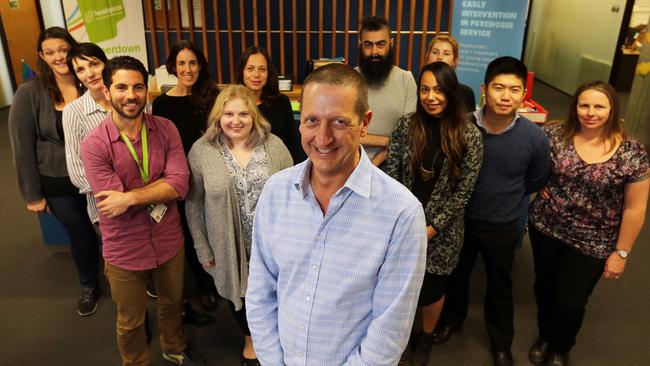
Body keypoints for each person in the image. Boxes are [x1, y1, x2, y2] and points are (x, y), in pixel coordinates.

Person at [246, 63, 427, 365]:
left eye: (340, 122)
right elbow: (260, 293)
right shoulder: (276, 193)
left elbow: (388, 331)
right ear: (299, 122)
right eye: (312, 120)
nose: (323, 137)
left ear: (365, 123)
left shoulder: (401, 214)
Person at [80, 56, 204, 366]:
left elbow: (179, 184)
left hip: (168, 237)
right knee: (131, 319)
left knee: (173, 302)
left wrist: (130, 198)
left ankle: (174, 348)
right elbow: (112, 202)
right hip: (124, 245)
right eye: (121, 87)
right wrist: (156, 187)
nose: (131, 95)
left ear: (146, 89)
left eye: (138, 86)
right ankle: (135, 362)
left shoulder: (166, 129)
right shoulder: (95, 144)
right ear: (107, 91)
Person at [432, 57, 551, 366]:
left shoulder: (535, 138)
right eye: (499, 88)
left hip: (502, 224)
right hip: (461, 221)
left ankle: (501, 342)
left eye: (514, 90)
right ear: (485, 89)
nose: (505, 96)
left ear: (524, 95)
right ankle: (451, 320)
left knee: (500, 286)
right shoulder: (461, 126)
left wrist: (505, 198)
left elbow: (535, 179)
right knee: (456, 277)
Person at [527, 81, 649, 366]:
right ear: (575, 106)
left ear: (612, 109)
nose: (590, 112)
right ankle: (545, 335)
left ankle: (560, 345)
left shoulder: (632, 152)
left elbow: (635, 207)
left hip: (595, 239)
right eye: (584, 105)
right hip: (547, 227)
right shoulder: (555, 135)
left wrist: (621, 253)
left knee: (570, 300)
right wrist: (539, 183)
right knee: (544, 287)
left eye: (599, 106)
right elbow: (530, 164)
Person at [185, 84, 292, 365]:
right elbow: (194, 203)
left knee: (276, 294)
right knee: (240, 297)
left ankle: (277, 339)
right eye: (229, 113)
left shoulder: (275, 146)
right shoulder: (202, 151)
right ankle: (251, 342)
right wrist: (202, 247)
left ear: (254, 115)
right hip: (228, 246)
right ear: (218, 116)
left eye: (243, 114)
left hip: (272, 245)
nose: (236, 121)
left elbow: (295, 194)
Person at [385, 61, 483, 366]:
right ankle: (399, 338)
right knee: (398, 286)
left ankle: (425, 336)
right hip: (402, 225)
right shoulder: (405, 125)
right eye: (425, 89)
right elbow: (392, 173)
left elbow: (463, 193)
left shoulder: (469, 134)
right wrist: (403, 222)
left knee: (432, 287)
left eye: (439, 89)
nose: (431, 96)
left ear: (451, 92)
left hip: (443, 232)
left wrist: (431, 229)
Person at [8, 27, 101, 317]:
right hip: (58, 179)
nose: (58, 56)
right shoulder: (29, 93)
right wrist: (32, 194)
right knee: (82, 234)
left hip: (99, 175)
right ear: (42, 57)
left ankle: (135, 276)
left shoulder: (93, 82)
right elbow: (21, 146)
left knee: (115, 230)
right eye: (50, 52)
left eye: (63, 49)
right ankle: (89, 283)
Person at [152, 40, 220, 316]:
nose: (188, 69)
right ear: (172, 67)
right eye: (181, 63)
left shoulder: (213, 97)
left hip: (212, 175)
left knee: (216, 229)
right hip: (181, 179)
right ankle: (203, 284)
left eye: (192, 62)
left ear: (200, 65)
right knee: (193, 234)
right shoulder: (161, 104)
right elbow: (160, 146)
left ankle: (218, 280)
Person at [355, 16, 417, 166]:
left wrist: (373, 165)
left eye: (381, 44)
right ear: (360, 45)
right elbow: (346, 134)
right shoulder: (349, 80)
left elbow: (408, 137)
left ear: (391, 43)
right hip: (352, 163)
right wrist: (387, 141)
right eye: (368, 45)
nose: (374, 51)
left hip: (394, 166)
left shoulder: (406, 80)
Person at [63, 42, 111, 226]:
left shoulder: (127, 100)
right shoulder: (74, 112)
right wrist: (119, 193)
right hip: (106, 207)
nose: (89, 73)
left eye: (94, 64)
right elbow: (77, 171)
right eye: (80, 69)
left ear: (105, 64)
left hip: (144, 199)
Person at [236, 46, 305, 163]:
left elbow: (293, 144)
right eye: (250, 69)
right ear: (242, 71)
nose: (256, 75)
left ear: (269, 73)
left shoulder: (282, 102)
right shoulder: (233, 104)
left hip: (279, 168)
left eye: (262, 69)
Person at [425, 34, 476, 112]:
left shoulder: (466, 93)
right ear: (428, 57)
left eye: (446, 54)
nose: (439, 57)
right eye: (435, 52)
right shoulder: (414, 85)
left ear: (454, 61)